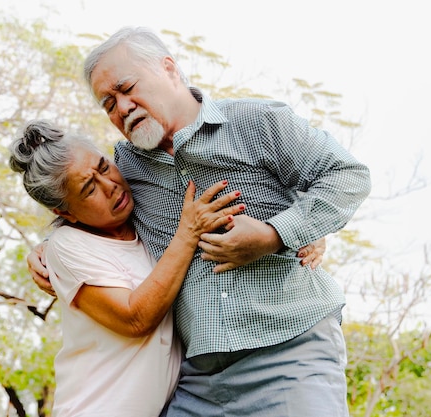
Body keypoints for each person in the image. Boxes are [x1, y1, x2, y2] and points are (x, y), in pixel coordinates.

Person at [29, 26, 371, 416]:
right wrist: (44, 251)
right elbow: (82, 210)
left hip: (290, 353)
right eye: (108, 103)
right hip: (197, 382)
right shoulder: (123, 169)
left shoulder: (256, 122)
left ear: (169, 69)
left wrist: (276, 233)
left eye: (127, 88)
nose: (122, 108)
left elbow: (347, 176)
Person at [9, 120, 246, 417]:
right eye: (89, 188)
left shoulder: (141, 218)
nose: (110, 186)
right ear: (64, 212)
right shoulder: (67, 246)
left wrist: (296, 235)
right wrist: (188, 232)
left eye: (104, 167)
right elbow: (135, 318)